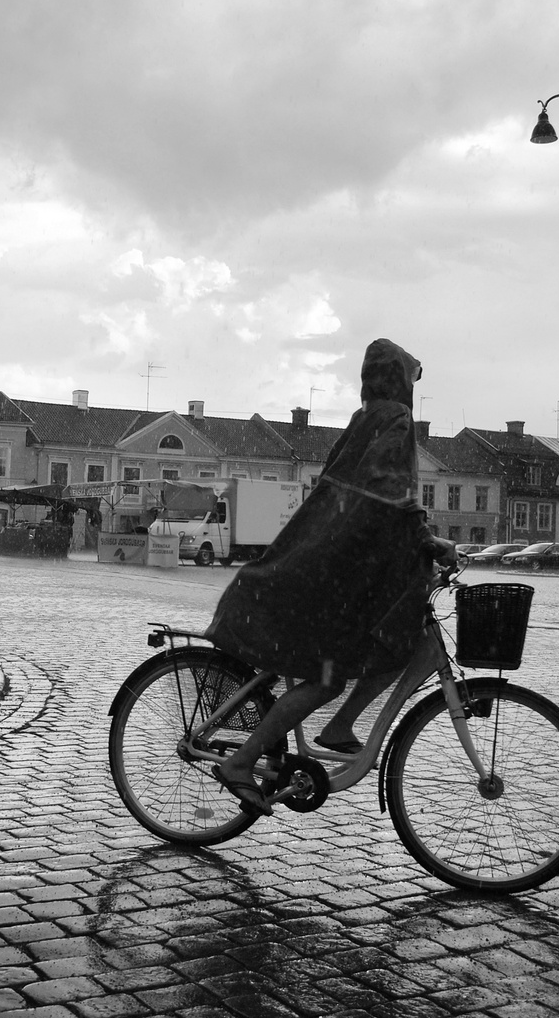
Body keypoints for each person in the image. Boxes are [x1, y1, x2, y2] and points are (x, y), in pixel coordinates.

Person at [207, 338, 455, 815]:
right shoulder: (397, 421)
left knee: (387, 646)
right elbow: (389, 494)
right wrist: (425, 540)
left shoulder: (365, 418)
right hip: (334, 573)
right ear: (399, 378)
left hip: (327, 560)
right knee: (328, 677)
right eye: (411, 378)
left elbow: (359, 491)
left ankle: (339, 727)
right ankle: (243, 760)